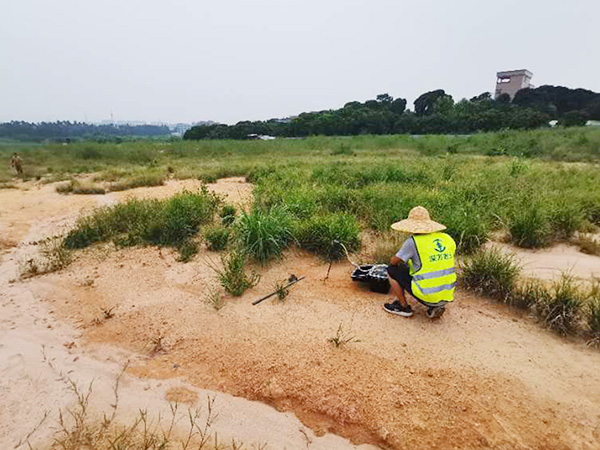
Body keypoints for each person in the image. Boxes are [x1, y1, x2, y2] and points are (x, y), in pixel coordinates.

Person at [384, 206, 456, 319]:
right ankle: (435, 306)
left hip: (426, 295)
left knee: (391, 270)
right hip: (447, 294)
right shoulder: (447, 239)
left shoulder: (413, 242)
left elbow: (393, 261)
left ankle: (403, 307)